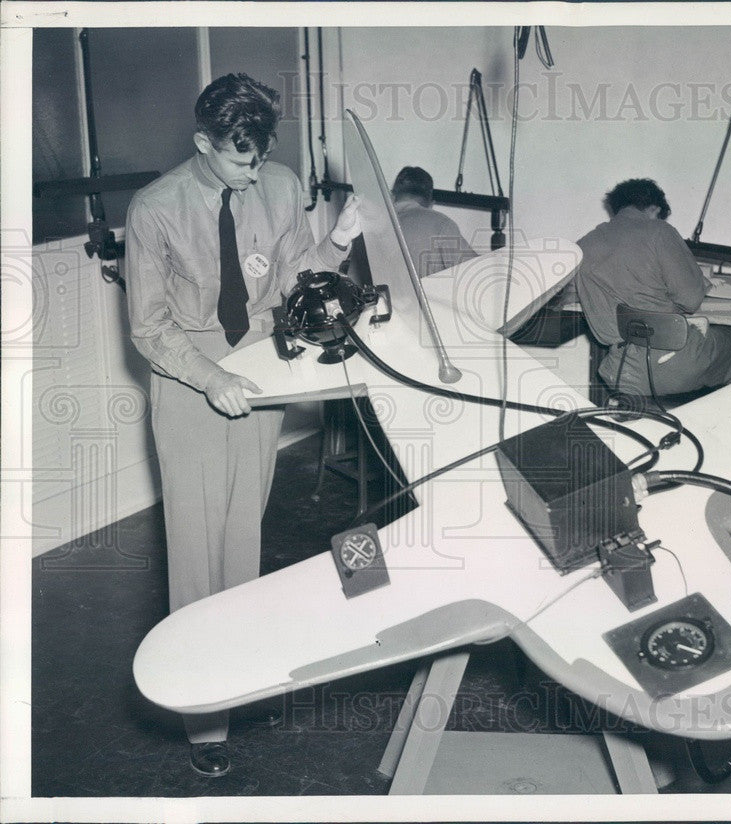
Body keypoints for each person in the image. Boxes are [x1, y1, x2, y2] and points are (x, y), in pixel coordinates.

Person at [124, 73, 361, 778]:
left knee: (244, 539)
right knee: (197, 549)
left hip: (261, 372)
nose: (252, 172)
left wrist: (339, 243)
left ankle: (239, 674)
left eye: (258, 157)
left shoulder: (281, 184)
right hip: (189, 379)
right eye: (237, 160)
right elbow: (147, 327)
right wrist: (212, 377)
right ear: (203, 143)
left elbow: (292, 279)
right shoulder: (155, 208)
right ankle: (205, 721)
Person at [573, 178, 731, 397]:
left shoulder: (583, 245)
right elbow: (690, 300)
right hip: (673, 363)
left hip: (622, 369)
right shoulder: (660, 231)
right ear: (654, 208)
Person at [348, 166, 476, 283]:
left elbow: (352, 286)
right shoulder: (442, 225)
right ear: (431, 203)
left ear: (392, 197)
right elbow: (475, 276)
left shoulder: (364, 230)